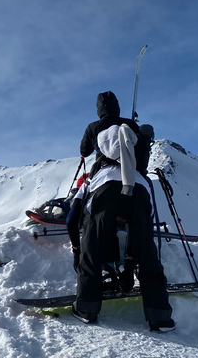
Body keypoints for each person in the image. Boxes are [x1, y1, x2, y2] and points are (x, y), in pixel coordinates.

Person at [72, 91, 175, 332]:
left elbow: (84, 151)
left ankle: (87, 307)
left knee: (91, 246)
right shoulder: (131, 125)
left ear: (99, 109)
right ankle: (159, 316)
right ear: (118, 108)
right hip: (137, 186)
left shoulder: (94, 126)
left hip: (104, 186)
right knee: (146, 251)